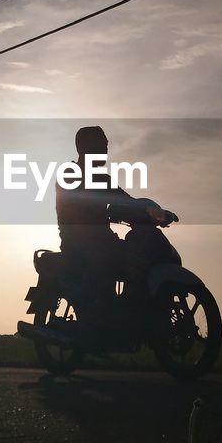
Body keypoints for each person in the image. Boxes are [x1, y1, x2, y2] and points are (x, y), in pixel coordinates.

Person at [54, 126, 169, 328]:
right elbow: (76, 205)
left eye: (106, 146)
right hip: (78, 243)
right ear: (85, 147)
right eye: (101, 145)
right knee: (109, 258)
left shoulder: (103, 179)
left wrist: (151, 211)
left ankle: (126, 311)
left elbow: (127, 200)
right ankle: (99, 317)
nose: (105, 150)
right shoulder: (69, 173)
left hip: (102, 240)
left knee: (132, 252)